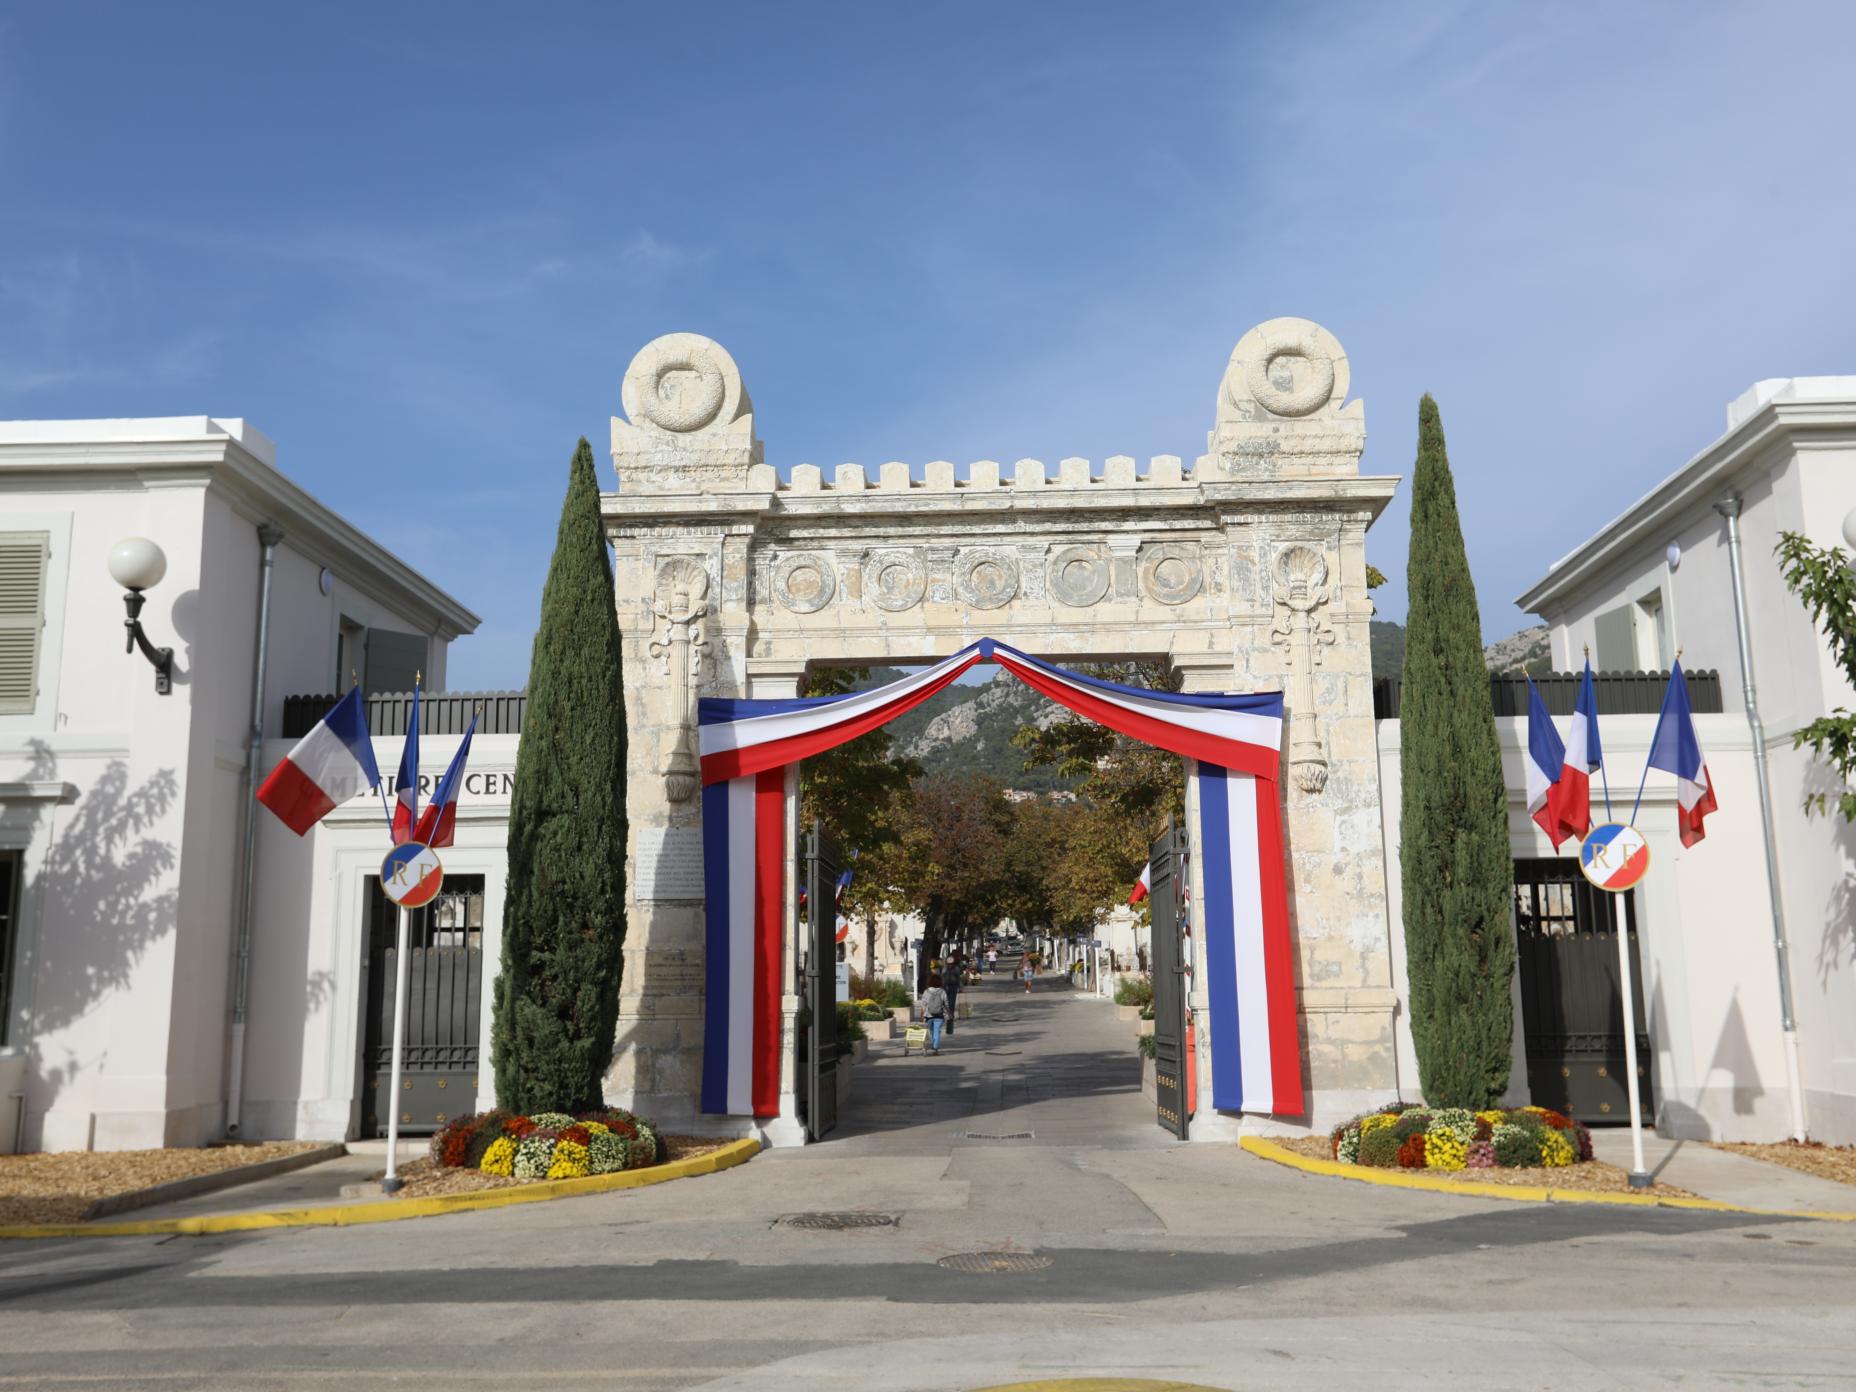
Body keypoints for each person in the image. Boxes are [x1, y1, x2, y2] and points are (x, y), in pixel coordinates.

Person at [919, 973, 950, 1055]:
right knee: (937, 1031)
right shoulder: (942, 991)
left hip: (929, 1015)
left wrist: (922, 1015)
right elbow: (946, 1003)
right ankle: (935, 1048)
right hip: (939, 1015)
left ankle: (934, 1045)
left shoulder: (926, 991)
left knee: (931, 1031)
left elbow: (923, 1004)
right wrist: (949, 1013)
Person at [942, 955, 961, 1035]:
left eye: (951, 963)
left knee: (952, 1001)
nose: (950, 965)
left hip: (953, 986)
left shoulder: (956, 969)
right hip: (946, 987)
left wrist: (960, 987)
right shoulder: (944, 969)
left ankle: (951, 1014)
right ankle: (947, 1014)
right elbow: (942, 977)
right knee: (946, 1002)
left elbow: (959, 978)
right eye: (949, 963)